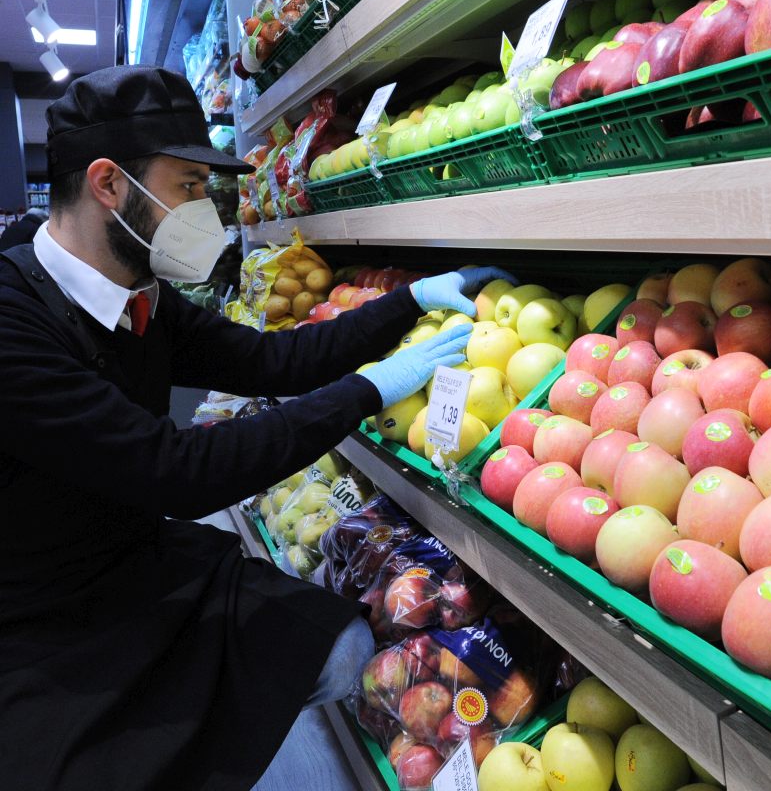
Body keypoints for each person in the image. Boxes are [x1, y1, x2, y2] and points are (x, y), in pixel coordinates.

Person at [0, 65, 515, 790]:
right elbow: (178, 470)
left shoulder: (139, 292)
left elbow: (273, 360)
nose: (204, 210)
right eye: (186, 186)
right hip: (42, 615)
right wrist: (367, 391)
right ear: (109, 185)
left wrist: (408, 304)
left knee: (335, 650)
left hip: (138, 559)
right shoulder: (14, 320)